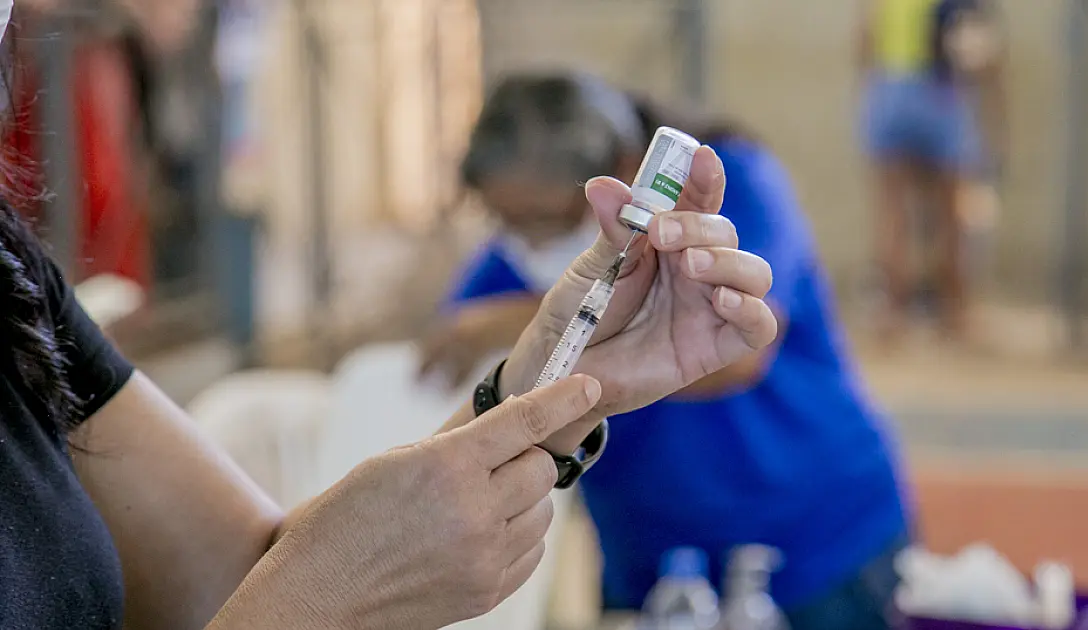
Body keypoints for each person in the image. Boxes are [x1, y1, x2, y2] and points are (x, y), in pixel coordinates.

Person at [0, 5, 777, 628]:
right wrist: (328, 598)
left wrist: (550, 384)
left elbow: (243, 575)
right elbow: (298, 588)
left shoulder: (17, 284)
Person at [421, 73, 910, 630]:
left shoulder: (725, 187)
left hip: (813, 544)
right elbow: (468, 385)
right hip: (649, 561)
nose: (524, 243)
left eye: (542, 220)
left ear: (625, 170)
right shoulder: (503, 267)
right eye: (504, 222)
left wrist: (516, 322)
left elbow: (740, 349)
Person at [855, 0, 1003, 344]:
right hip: (943, 88)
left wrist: (870, 95)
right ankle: (955, 313)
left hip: (890, 87)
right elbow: (981, 42)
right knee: (952, 212)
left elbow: (865, 34)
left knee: (892, 213)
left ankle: (892, 314)